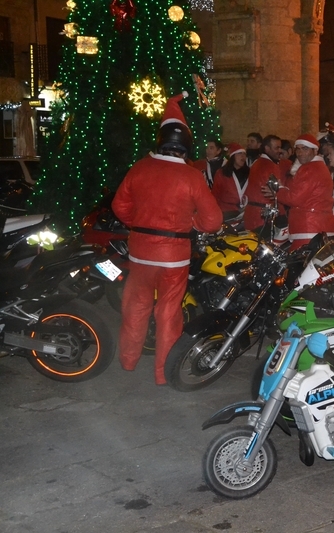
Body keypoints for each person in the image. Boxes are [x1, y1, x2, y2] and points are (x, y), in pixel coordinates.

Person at [112, 93, 223, 385]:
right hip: (174, 256)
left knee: (135, 307)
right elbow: (213, 221)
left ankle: (128, 360)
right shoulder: (192, 176)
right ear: (186, 144)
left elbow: (119, 206)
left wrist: (139, 224)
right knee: (169, 313)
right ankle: (163, 374)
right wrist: (192, 223)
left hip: (140, 253)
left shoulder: (140, 167)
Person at [266, 134, 334, 250]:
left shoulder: (309, 168)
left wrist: (277, 190)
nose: (300, 153)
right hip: (318, 226)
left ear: (315, 150)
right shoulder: (319, 167)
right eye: (298, 149)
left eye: (305, 148)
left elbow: (295, 198)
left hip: (309, 228)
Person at [243, 139, 283, 232]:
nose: (279, 150)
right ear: (267, 148)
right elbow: (278, 191)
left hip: (250, 213)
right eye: (276, 148)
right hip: (264, 216)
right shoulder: (271, 166)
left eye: (280, 147)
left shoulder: (256, 163)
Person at [211, 143, 249, 215]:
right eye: (239, 153)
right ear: (233, 156)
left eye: (244, 154)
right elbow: (215, 195)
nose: (243, 156)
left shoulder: (250, 173)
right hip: (226, 213)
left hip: (245, 213)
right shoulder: (221, 173)